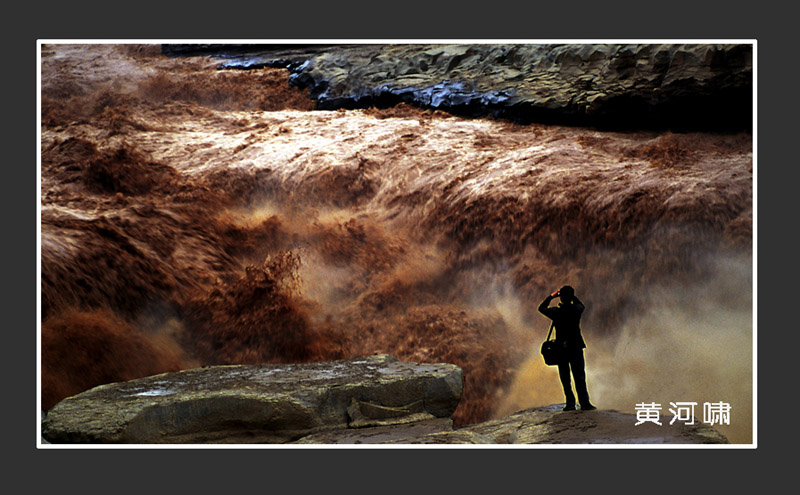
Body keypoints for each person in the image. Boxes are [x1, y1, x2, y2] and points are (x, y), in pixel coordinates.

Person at [538, 285, 597, 411]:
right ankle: (585, 403)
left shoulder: (556, 312)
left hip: (561, 349)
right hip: (576, 347)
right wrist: (572, 297)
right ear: (571, 297)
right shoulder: (576, 310)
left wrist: (552, 296)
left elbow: (541, 308)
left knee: (565, 378)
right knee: (580, 376)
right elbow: (582, 305)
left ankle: (570, 403)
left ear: (561, 298)